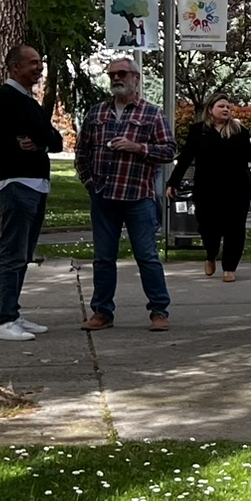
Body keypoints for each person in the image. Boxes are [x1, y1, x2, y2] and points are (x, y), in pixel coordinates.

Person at [75, 57, 176, 331]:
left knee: (147, 256)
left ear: (136, 78)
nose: (116, 79)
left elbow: (169, 150)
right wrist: (90, 183)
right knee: (103, 258)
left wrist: (138, 148)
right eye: (112, 75)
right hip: (104, 197)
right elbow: (82, 152)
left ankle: (159, 311)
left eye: (122, 73)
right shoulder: (97, 113)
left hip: (138, 197)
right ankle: (102, 312)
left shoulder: (152, 114)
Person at [0, 43, 63, 342]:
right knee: (13, 254)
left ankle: (13, 313)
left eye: (40, 62)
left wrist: (42, 141)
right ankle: (4, 320)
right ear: (14, 67)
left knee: (23, 255)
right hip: (16, 184)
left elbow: (55, 141)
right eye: (32, 62)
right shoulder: (6, 99)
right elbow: (46, 134)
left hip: (34, 184)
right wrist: (44, 138)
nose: (39, 67)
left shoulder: (28, 100)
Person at [166, 96, 251, 283]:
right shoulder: (198, 131)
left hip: (237, 189)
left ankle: (229, 268)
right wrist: (173, 182)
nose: (226, 109)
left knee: (235, 230)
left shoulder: (239, 130)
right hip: (207, 189)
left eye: (228, 107)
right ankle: (211, 254)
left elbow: (249, 156)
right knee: (208, 228)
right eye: (221, 106)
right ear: (210, 109)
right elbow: (185, 158)